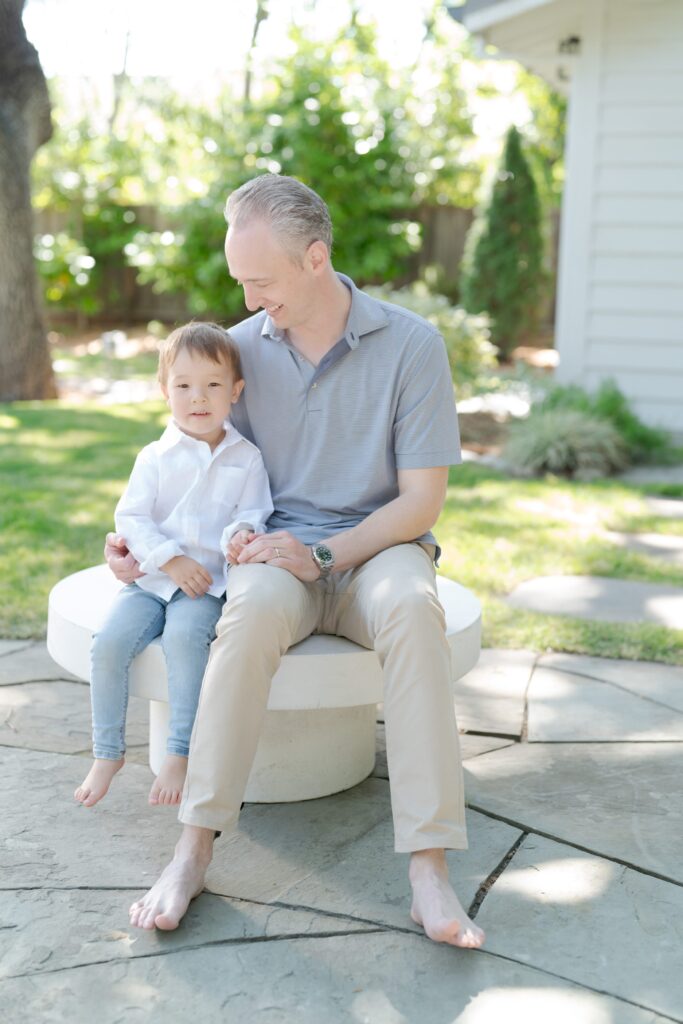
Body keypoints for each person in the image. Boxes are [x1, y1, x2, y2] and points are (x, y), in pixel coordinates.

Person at [108, 174, 485, 949]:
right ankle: (193, 848)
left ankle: (428, 870)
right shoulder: (236, 353)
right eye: (240, 282)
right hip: (272, 554)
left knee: (415, 610)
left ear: (316, 259)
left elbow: (420, 503)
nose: (248, 300)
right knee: (243, 619)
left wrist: (324, 554)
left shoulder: (411, 345)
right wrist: (138, 548)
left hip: (379, 549)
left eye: (261, 281)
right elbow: (184, 465)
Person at [76, 321, 272, 808]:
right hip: (151, 581)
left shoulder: (246, 459)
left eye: (212, 385)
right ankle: (108, 752)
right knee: (109, 644)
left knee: (187, 642)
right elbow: (132, 517)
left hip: (203, 587)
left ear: (235, 392)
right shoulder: (155, 456)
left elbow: (252, 515)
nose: (197, 397)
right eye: (183, 385)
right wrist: (170, 558)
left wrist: (239, 538)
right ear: (165, 391)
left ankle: (179, 751)